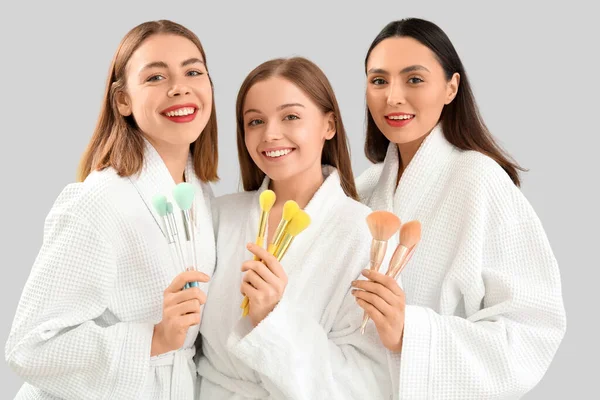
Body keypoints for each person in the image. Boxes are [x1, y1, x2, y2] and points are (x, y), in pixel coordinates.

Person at [353, 18, 567, 399]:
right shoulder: (365, 188)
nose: (393, 97)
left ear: (451, 87)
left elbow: (533, 330)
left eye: (414, 79)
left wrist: (410, 334)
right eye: (379, 80)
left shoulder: (481, 180)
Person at [5, 19, 218, 399]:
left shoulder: (201, 197)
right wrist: (153, 339)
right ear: (122, 100)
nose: (180, 87)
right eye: (155, 77)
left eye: (193, 71)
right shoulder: (98, 202)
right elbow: (29, 348)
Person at [196, 56, 392, 399]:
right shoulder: (218, 216)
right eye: (255, 121)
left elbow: (369, 382)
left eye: (291, 116)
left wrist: (273, 319)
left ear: (328, 125)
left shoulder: (363, 235)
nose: (270, 134)